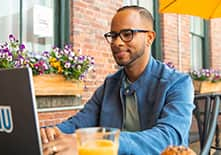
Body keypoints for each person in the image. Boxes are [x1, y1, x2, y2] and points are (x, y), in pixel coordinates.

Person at [40, 5, 195, 155]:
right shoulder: (110, 85)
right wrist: (52, 132)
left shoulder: (178, 83)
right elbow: (79, 123)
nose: (117, 42)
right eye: (113, 35)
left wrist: (98, 143)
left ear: (149, 38)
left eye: (127, 34)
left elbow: (169, 138)